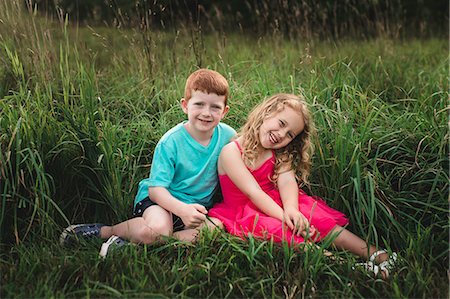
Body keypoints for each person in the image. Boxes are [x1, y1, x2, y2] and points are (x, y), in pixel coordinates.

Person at [208, 93, 397, 278]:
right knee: (287, 234)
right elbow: (253, 192)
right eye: (281, 123)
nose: (281, 134)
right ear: (266, 113)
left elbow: (287, 181)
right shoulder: (231, 152)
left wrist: (292, 210)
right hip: (246, 211)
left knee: (316, 217)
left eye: (289, 134)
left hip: (278, 201)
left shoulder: (280, 152)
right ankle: (352, 268)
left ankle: (377, 254)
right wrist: (286, 220)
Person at [60, 68, 236, 257]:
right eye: (199, 104)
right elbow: (156, 190)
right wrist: (181, 209)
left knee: (216, 228)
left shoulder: (228, 136)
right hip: (160, 201)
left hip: (194, 209)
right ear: (185, 106)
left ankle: (132, 243)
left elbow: (244, 155)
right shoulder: (171, 142)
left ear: (224, 111)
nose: (206, 113)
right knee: (157, 229)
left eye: (215, 107)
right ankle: (106, 232)